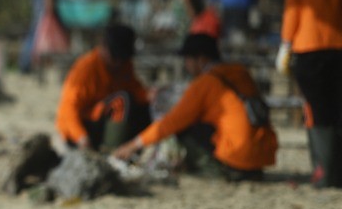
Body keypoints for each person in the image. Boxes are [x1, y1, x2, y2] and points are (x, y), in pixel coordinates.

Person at [114, 33, 277, 181]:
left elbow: (171, 122)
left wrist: (132, 146)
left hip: (237, 160)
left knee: (183, 127)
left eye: (187, 60)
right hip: (261, 158)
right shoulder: (241, 72)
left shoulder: (205, 82)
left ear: (201, 59)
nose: (186, 65)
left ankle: (215, 169)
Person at [279, 0, 342, 188]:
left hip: (308, 45)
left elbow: (293, 5)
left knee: (316, 109)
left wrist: (285, 43)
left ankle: (324, 172)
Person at [55, 24, 152, 151]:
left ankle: (134, 148)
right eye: (115, 57)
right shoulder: (86, 69)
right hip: (80, 130)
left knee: (143, 107)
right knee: (122, 100)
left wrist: (149, 95)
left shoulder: (123, 65)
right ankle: (112, 151)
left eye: (122, 58)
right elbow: (68, 110)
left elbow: (134, 89)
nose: (118, 63)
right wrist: (82, 138)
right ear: (103, 47)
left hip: (105, 121)